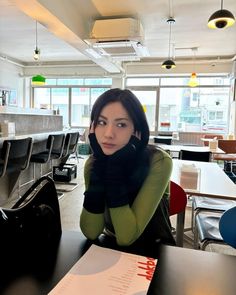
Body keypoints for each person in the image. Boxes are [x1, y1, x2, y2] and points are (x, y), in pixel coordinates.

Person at [80, 88, 175, 257]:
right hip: (110, 248)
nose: (108, 134)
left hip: (154, 251)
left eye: (121, 124)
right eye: (102, 122)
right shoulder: (93, 165)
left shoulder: (158, 162)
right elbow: (91, 232)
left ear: (136, 130)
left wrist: (114, 169)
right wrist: (102, 165)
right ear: (92, 127)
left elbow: (126, 237)